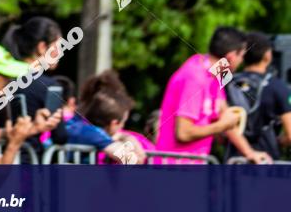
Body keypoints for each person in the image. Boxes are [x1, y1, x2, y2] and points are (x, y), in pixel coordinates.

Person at [155, 26, 271, 164]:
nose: (242, 61)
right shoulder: (194, 78)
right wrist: (221, 126)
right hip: (174, 170)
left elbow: (225, 117)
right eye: (241, 56)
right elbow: (183, 133)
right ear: (231, 56)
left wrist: (249, 153)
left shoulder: (216, 74)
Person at [3, 17, 68, 156]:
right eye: (59, 47)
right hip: (28, 164)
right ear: (42, 47)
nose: (61, 53)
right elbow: (60, 136)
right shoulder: (49, 86)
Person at [225, 32, 291, 161]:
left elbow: (220, 132)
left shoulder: (228, 82)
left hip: (233, 160)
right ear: (267, 55)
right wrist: (278, 142)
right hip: (266, 161)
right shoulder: (277, 86)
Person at [65, 70, 146, 164]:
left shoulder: (75, 124)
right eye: (123, 122)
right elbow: (133, 160)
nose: (122, 127)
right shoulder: (93, 133)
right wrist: (128, 138)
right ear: (114, 123)